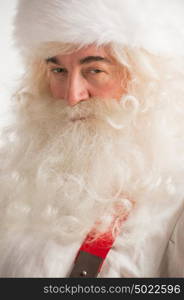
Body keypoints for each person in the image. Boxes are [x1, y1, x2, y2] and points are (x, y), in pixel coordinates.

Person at [0, 0, 184, 278]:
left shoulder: (174, 202)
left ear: (142, 78)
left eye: (94, 70)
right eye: (58, 70)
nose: (72, 96)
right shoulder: (12, 174)